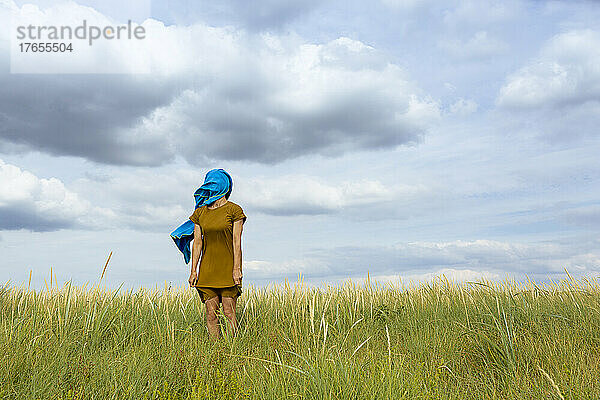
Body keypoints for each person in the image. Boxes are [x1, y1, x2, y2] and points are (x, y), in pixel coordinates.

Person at [172, 168, 246, 340]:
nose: (209, 187)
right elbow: (197, 242)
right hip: (207, 270)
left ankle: (232, 350)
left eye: (213, 183)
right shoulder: (200, 212)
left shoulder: (234, 210)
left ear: (224, 185)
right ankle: (216, 351)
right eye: (208, 183)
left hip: (227, 268)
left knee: (228, 312)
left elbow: (237, 242)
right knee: (211, 314)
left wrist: (237, 269)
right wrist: (193, 271)